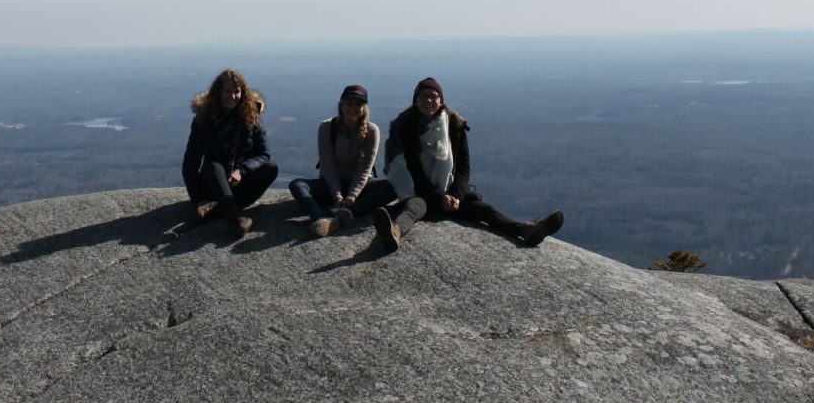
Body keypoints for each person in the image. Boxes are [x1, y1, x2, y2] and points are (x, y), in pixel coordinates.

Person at [373, 77, 563, 252]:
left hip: (450, 192)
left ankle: (525, 229)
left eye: (433, 96)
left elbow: (464, 166)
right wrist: (439, 197)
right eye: (424, 96)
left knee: (484, 210)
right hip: (420, 192)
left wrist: (455, 195)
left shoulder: (454, 126)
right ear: (416, 100)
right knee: (413, 209)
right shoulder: (406, 129)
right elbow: (413, 171)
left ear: (441, 100)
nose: (429, 100)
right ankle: (395, 232)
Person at [288, 85, 396, 237]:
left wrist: (351, 197)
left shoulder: (372, 130)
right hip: (331, 184)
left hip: (360, 187)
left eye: (358, 104)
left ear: (364, 108)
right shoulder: (327, 127)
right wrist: (337, 196)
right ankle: (320, 218)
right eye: (349, 103)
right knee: (297, 184)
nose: (353, 107)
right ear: (341, 105)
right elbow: (328, 165)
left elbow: (365, 168)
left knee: (393, 186)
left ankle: (343, 215)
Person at [182, 69, 279, 238]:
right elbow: (190, 162)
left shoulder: (252, 116)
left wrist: (241, 171)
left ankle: (216, 210)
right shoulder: (204, 119)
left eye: (237, 91)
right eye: (227, 91)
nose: (232, 96)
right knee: (213, 166)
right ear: (218, 92)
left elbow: (264, 154)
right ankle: (235, 217)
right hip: (214, 183)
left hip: (239, 182)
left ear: (243, 93)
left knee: (271, 168)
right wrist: (198, 199)